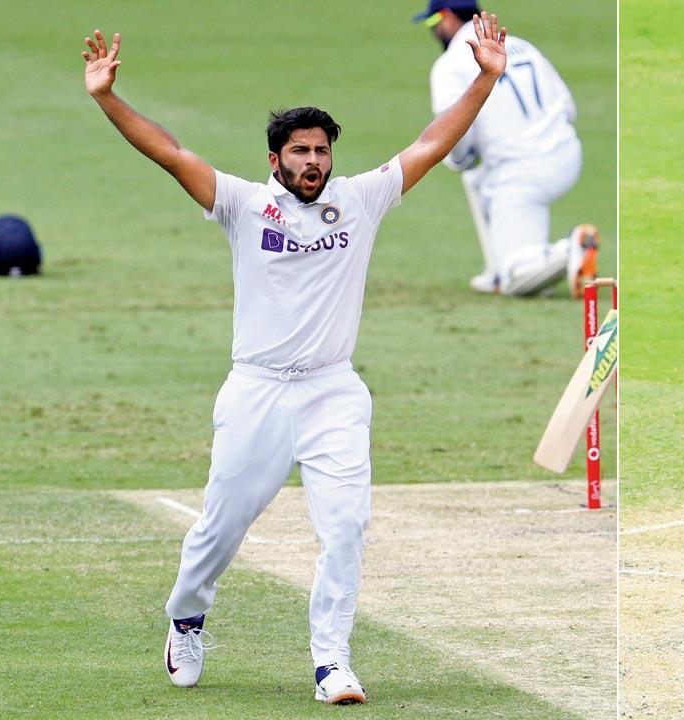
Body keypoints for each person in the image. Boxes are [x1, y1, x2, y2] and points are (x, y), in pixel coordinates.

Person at [80, 14, 509, 704]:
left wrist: (485, 79)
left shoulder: (361, 200)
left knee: (346, 526)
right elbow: (170, 151)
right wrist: (106, 97)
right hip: (256, 393)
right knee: (221, 525)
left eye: (321, 150)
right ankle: (186, 619)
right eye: (299, 151)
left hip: (333, 392)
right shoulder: (244, 205)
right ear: (274, 159)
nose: (312, 162)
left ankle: (331, 661)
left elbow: (432, 143)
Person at [417, 0, 598, 297]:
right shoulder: (521, 46)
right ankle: (497, 272)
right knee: (479, 179)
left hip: (520, 174)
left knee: (519, 280)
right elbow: (568, 107)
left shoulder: (449, 65)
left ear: (447, 18)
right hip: (566, 153)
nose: (433, 31)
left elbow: (456, 140)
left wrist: (461, 160)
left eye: (432, 23)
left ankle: (571, 249)